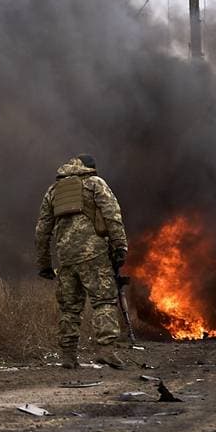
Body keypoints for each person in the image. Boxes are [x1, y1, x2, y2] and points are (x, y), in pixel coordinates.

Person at [34, 154, 131, 370]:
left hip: (66, 258)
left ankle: (68, 356)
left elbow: (42, 230)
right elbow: (112, 215)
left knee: (69, 308)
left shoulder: (54, 190)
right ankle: (106, 351)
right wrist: (120, 246)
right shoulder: (95, 184)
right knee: (104, 301)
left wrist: (44, 264)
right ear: (89, 169)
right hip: (94, 255)